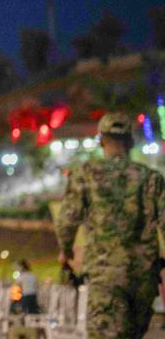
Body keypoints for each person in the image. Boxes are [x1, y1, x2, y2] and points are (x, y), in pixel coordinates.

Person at [55, 112, 164, 339]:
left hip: (106, 277)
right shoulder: (151, 178)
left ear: (101, 140)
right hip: (143, 278)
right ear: (130, 141)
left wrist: (65, 251)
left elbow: (67, 220)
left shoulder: (85, 174)